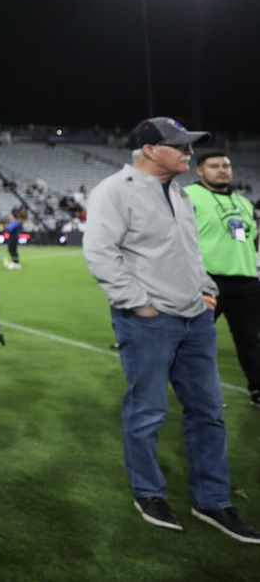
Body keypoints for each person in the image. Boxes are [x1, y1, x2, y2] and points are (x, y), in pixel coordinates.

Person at [83, 117, 260, 543]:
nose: (189, 152)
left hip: (196, 319)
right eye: (179, 145)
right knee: (147, 411)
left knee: (209, 411)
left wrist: (206, 290)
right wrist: (138, 303)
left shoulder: (179, 193)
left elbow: (190, 251)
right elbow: (100, 253)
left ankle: (212, 500)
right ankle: (149, 493)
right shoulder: (114, 191)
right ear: (149, 149)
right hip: (149, 321)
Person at [184, 150, 260, 408]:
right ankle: (199, 394)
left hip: (247, 280)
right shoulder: (188, 196)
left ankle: (258, 388)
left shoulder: (244, 202)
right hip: (207, 280)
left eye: (226, 165)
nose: (222, 170)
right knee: (197, 341)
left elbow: (250, 239)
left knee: (250, 340)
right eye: (214, 166)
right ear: (200, 170)